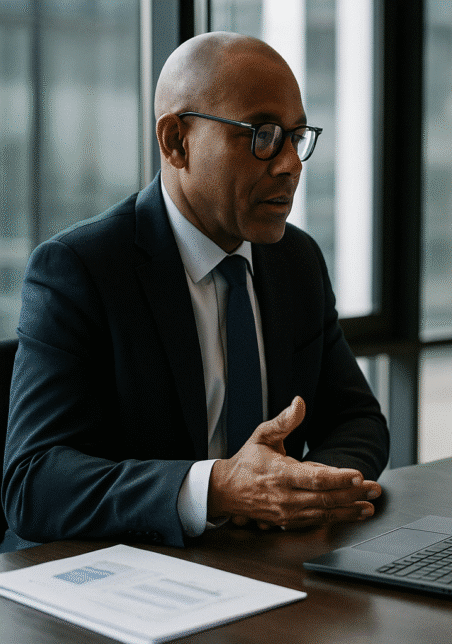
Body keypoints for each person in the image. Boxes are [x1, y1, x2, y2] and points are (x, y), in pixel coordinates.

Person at [1, 32, 389, 551]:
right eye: (263, 135)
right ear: (176, 142)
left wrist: (298, 491)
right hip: (124, 571)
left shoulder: (296, 260)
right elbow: (33, 482)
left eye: (296, 137)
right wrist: (218, 490)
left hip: (261, 562)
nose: (290, 164)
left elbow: (357, 419)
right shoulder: (79, 269)